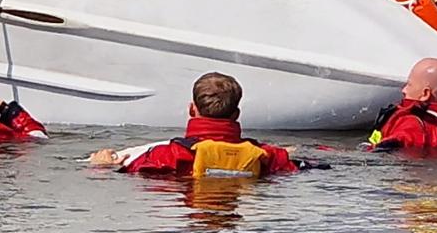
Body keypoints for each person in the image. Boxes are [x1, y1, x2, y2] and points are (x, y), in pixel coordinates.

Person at [87, 73, 311, 176]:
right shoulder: (266, 156)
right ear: (236, 115)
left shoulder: (164, 156)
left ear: (192, 110)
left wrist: (101, 166)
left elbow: (128, 171)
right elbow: (293, 166)